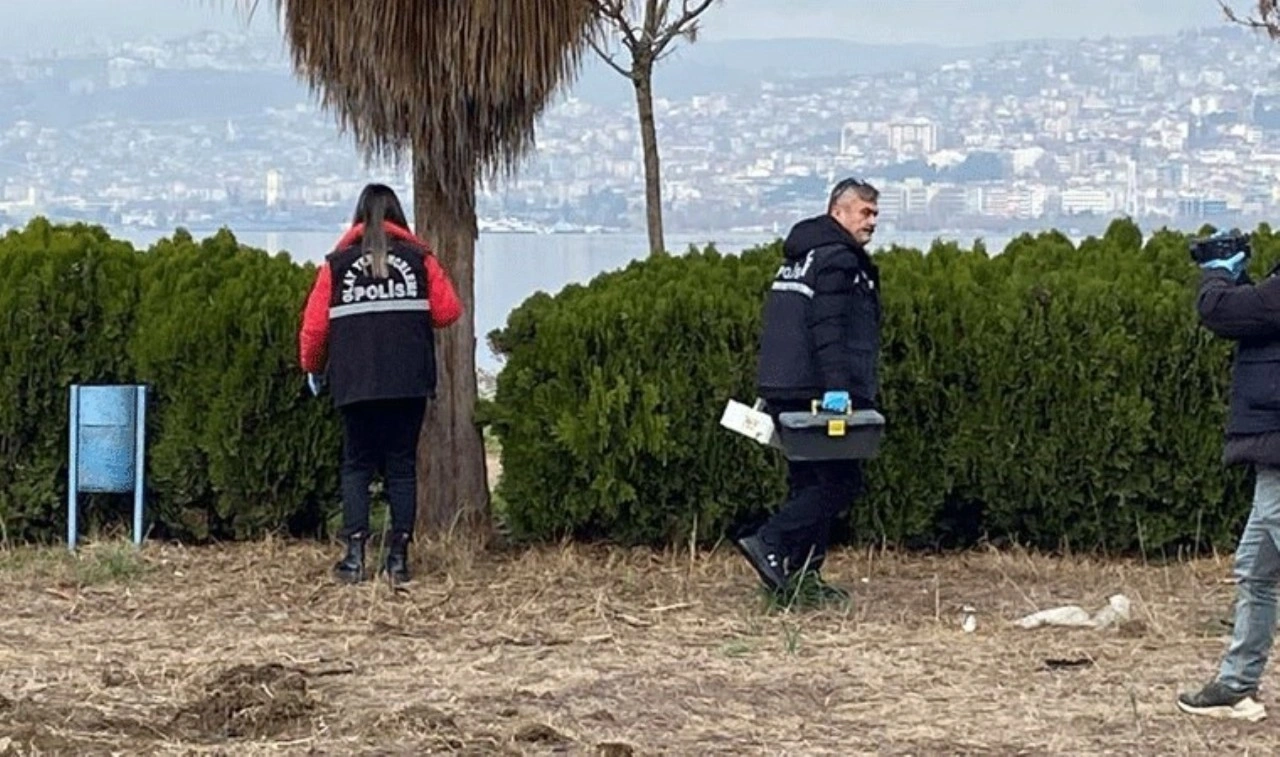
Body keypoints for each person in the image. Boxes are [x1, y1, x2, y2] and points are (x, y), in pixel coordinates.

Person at [298, 183, 462, 585]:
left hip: (355, 383)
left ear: (357, 216)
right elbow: (448, 312)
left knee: (356, 466)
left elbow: (315, 330)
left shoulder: (337, 265)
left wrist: (312, 367)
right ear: (398, 216)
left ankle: (354, 559)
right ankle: (398, 560)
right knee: (401, 467)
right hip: (408, 382)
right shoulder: (419, 259)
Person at [733, 177, 882, 600]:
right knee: (840, 482)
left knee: (809, 482)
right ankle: (772, 541)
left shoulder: (801, 257)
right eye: (864, 212)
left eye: (875, 214)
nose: (872, 222)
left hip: (786, 386)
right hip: (817, 392)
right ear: (838, 211)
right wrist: (839, 389)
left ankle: (799, 577)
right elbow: (828, 329)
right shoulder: (838, 260)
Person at [1177, 230, 1280, 722]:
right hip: (1273, 452)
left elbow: (1221, 312)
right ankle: (1236, 685)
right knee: (1255, 571)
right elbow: (1258, 312)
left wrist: (1217, 273)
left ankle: (1237, 684)